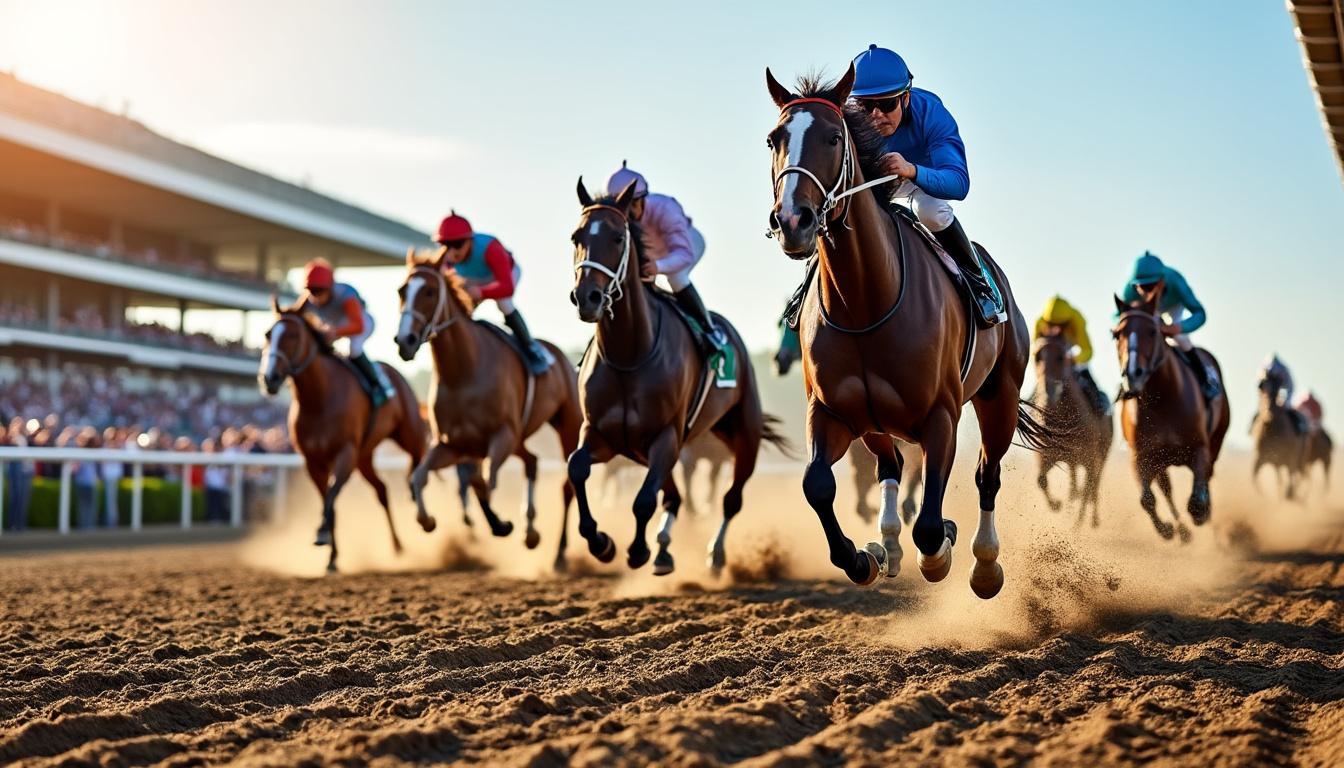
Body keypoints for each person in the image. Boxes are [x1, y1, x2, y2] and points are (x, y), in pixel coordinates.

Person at [851, 44, 1005, 327]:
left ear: (906, 98)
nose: (876, 115)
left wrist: (912, 170)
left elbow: (959, 184)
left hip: (917, 181)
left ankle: (979, 283)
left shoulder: (931, 114)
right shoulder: (847, 120)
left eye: (887, 104)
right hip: (870, 185)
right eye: (865, 106)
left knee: (931, 211)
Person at [604, 162, 728, 352]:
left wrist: (659, 266)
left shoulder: (665, 208)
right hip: (653, 253)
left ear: (641, 200)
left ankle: (709, 330)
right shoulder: (622, 221)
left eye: (630, 206)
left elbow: (684, 254)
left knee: (676, 277)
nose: (627, 214)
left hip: (687, 245)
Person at [432, 211, 552, 375]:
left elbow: (507, 287)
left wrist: (481, 292)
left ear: (470, 240)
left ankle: (531, 348)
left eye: (458, 244)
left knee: (504, 303)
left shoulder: (490, 247)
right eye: (446, 245)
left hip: (503, 275)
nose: (452, 252)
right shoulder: (444, 260)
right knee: (460, 310)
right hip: (473, 281)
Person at [1120, 251, 1220, 401]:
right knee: (1134, 343)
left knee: (1181, 339)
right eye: (1142, 287)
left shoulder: (1175, 281)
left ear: (1162, 281)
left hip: (1172, 309)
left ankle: (1205, 378)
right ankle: (1126, 381)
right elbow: (1116, 315)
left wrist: (1178, 328)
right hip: (1145, 314)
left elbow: (1200, 313)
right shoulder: (1129, 291)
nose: (1148, 292)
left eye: (1151, 286)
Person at [301, 258, 396, 406]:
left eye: (319, 291)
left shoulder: (345, 294)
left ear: (330, 287)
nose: (316, 296)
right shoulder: (307, 300)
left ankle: (379, 385)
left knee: (354, 349)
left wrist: (336, 332)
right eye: (312, 291)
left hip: (361, 322)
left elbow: (358, 326)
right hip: (335, 326)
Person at [1034, 295, 1109, 415]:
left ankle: (1099, 405)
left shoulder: (1077, 319)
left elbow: (1088, 351)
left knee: (1087, 379)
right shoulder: (1039, 322)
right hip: (1051, 359)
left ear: (1067, 323)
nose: (1056, 329)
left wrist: (1073, 359)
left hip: (1071, 354)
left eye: (1060, 325)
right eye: (1051, 324)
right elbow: (1033, 348)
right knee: (1042, 382)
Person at [99, 427, 124, 527]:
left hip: (111, 476)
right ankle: (111, 521)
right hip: (110, 476)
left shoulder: (115, 447)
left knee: (111, 500)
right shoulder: (108, 447)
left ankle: (112, 522)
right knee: (111, 500)